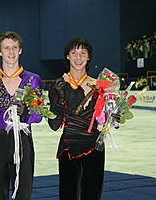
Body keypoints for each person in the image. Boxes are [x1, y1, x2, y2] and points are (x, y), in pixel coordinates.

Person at [0, 31, 42, 200]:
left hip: (23, 140)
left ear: (20, 50)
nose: (11, 52)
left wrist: (27, 115)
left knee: (23, 192)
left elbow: (39, 116)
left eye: (15, 47)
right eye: (6, 48)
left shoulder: (33, 79)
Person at [48, 37, 104, 200]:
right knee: (68, 194)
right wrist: (59, 102)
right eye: (74, 53)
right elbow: (53, 124)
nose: (78, 57)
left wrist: (114, 114)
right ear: (67, 56)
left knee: (92, 194)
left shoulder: (100, 86)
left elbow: (108, 121)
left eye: (83, 53)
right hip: (69, 146)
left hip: (95, 147)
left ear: (89, 57)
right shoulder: (58, 84)